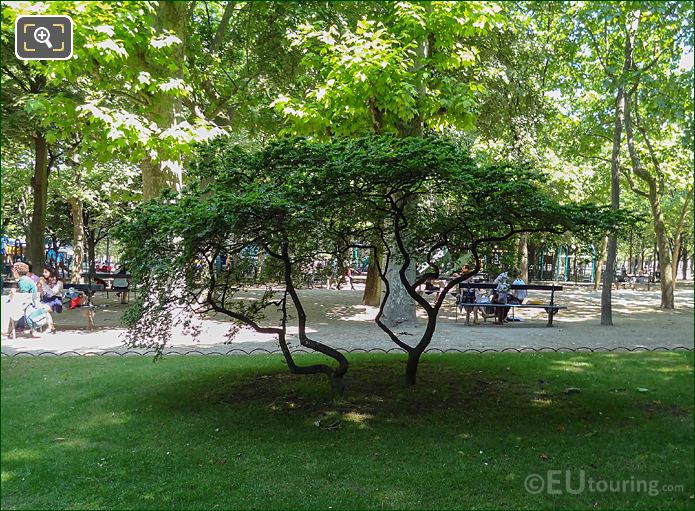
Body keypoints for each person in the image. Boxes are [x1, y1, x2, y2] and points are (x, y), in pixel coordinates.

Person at [2, 262, 52, 337]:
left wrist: (13, 293)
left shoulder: (23, 281)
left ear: (16, 271)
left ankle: (6, 329)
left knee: (4, 305)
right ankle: (8, 329)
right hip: (31, 302)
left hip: (28, 304)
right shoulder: (26, 279)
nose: (12, 272)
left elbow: (23, 296)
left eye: (13, 270)